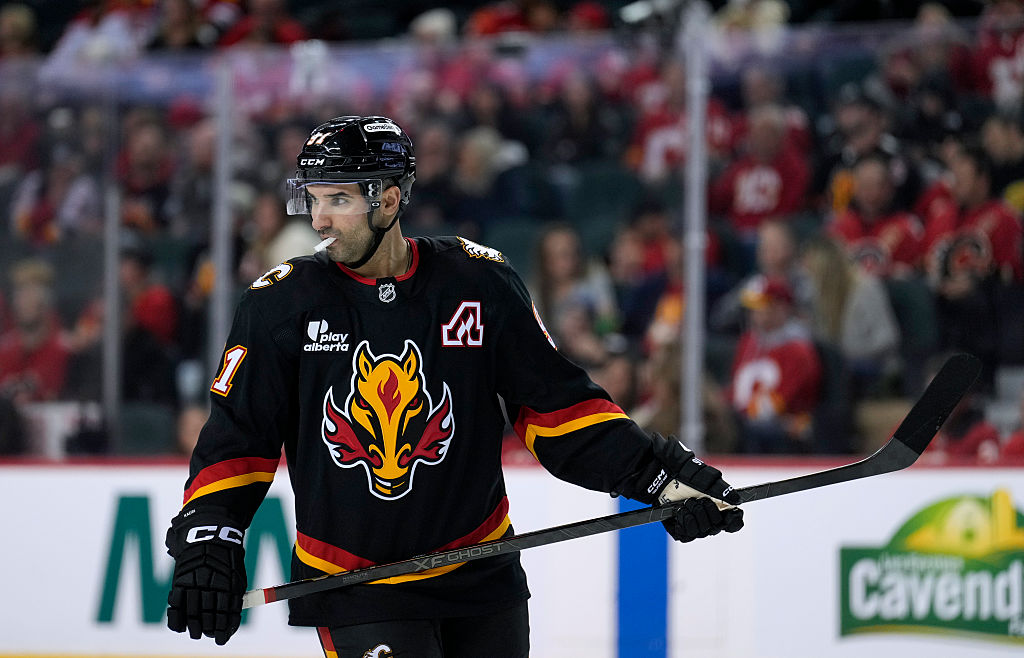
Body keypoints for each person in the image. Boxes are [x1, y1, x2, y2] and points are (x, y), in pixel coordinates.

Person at [163, 115, 744, 655]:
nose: (319, 220)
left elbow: (556, 410)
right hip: (357, 583)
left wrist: (656, 476)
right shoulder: (280, 304)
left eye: (338, 200)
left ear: (388, 200)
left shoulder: (479, 280)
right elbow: (240, 437)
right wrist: (209, 535)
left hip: (481, 568)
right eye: (314, 200)